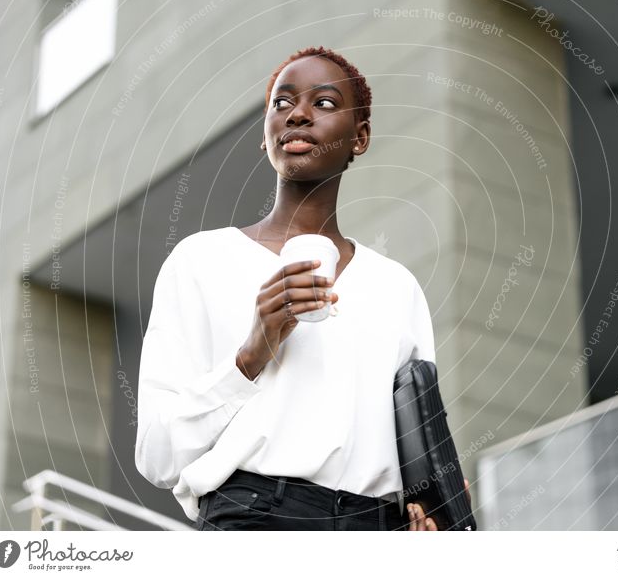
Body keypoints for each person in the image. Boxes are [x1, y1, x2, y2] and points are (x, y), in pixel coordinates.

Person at [135, 46, 470, 531]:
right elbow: (156, 456)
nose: (297, 115)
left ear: (361, 137)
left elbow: (416, 434)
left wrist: (427, 512)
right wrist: (252, 353)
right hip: (251, 522)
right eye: (282, 103)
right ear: (266, 134)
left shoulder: (396, 287)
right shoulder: (200, 261)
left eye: (325, 103)